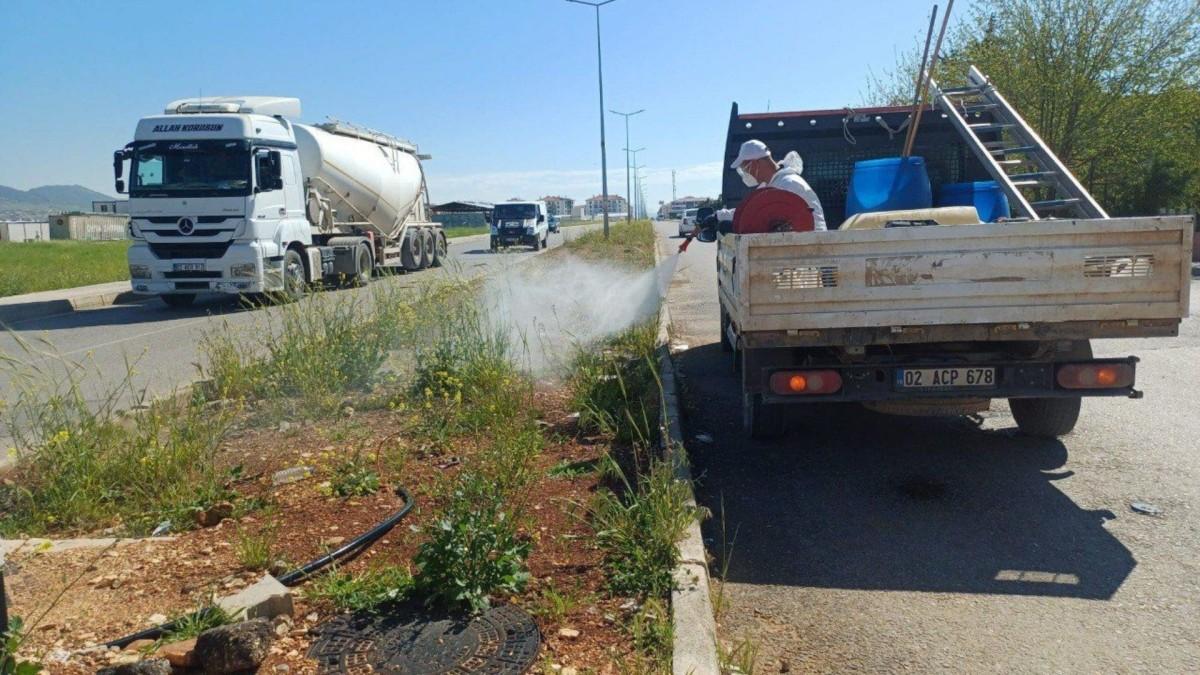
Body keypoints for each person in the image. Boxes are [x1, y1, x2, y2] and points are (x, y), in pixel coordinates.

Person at [730, 139, 827, 231]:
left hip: (812, 245)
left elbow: (757, 213)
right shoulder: (773, 184)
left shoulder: (789, 184)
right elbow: (751, 209)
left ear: (756, 164)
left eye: (745, 168)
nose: (746, 173)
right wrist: (720, 215)